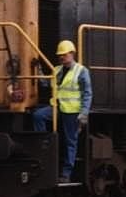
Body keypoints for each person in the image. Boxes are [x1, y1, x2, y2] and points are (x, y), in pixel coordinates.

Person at [32, 40, 92, 182]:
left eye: (64, 55)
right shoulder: (57, 70)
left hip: (72, 112)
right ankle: (44, 142)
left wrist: (84, 114)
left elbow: (87, 93)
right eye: (60, 55)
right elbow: (47, 83)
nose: (61, 57)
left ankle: (66, 174)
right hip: (57, 108)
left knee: (70, 142)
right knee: (38, 116)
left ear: (72, 54)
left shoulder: (81, 71)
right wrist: (38, 70)